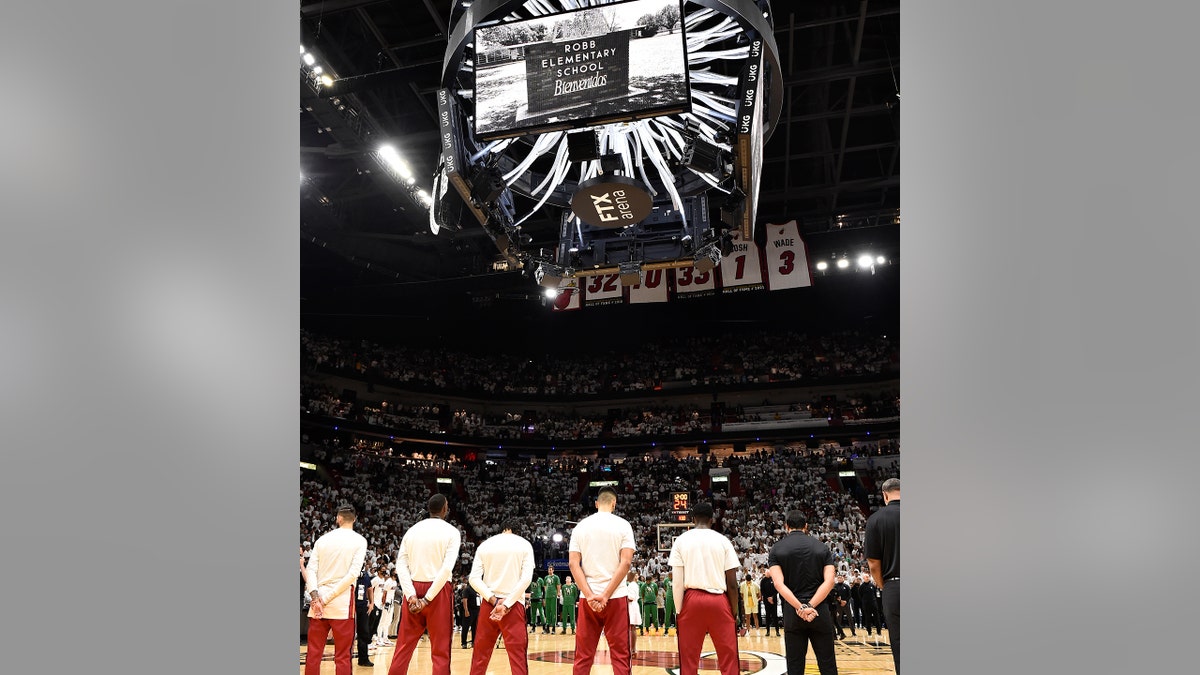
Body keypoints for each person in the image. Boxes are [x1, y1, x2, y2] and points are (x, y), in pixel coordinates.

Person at [388, 493, 462, 675]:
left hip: (413, 586)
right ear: (445, 509)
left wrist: (411, 594)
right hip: (438, 591)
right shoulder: (452, 532)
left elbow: (400, 565)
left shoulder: (411, 531)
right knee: (440, 650)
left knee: (403, 646)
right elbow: (446, 569)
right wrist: (427, 599)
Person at [568, 487, 635, 675]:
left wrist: (590, 596)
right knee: (621, 655)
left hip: (587, 599)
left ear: (596, 504)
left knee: (583, 655)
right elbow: (626, 562)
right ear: (614, 504)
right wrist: (605, 595)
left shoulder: (580, 526)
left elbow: (573, 564)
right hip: (616, 597)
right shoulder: (623, 525)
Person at [668, 502, 741, 675]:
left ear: (693, 519)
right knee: (729, 656)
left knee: (688, 658)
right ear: (712, 520)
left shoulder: (681, 540)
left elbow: (677, 583)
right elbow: (732, 583)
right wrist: (734, 611)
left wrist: (679, 612)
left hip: (691, 600)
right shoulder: (724, 541)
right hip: (719, 600)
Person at [768, 509, 838, 675]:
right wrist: (810, 605)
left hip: (793, 612)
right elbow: (830, 581)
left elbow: (778, 584)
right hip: (819, 610)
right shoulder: (822, 547)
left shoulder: (777, 549)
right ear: (806, 526)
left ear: (786, 526)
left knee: (795, 666)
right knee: (828, 664)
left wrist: (801, 607)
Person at [304, 503, 369, 675]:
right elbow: (352, 575)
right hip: (341, 603)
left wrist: (316, 597)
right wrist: (325, 599)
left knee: (313, 654)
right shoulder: (360, 541)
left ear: (338, 518)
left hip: (317, 603)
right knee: (342, 656)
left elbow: (310, 570)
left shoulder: (322, 540)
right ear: (354, 519)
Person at [468, 518, 535, 675]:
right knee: (517, 657)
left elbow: (473, 579)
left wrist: (492, 599)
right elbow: (526, 579)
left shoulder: (485, 545)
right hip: (513, 605)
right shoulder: (524, 545)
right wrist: (506, 604)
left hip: (489, 604)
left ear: (503, 528)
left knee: (480, 656)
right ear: (517, 531)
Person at [864, 478, 900, 673]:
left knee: (900, 642)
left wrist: (883, 586)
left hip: (894, 586)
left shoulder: (876, 519)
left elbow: (873, 563)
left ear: (885, 495)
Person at [353, 561, 375, 667]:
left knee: (364, 633)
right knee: (350, 634)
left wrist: (371, 603)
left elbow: (370, 588)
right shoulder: (351, 574)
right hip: (351, 607)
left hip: (363, 607)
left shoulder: (366, 575)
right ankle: (345, 659)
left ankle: (363, 659)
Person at [759, 570, 781, 637]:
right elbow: (762, 591)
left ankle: (777, 631)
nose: (768, 574)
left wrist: (772, 597)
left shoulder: (773, 579)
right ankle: (767, 631)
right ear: (765, 574)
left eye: (769, 573)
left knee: (775, 616)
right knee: (767, 616)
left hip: (773, 600)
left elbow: (777, 589)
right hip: (766, 600)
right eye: (767, 573)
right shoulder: (762, 581)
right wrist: (768, 598)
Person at [830, 574, 851, 639]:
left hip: (833, 606)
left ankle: (835, 636)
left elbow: (838, 597)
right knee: (835, 621)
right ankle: (841, 634)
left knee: (832, 621)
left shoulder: (834, 590)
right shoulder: (833, 589)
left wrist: (840, 602)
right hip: (831, 606)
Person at [543, 565, 562, 634]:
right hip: (547, 596)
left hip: (553, 596)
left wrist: (558, 593)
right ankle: (547, 628)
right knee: (547, 612)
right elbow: (545, 586)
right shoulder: (546, 578)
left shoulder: (556, 577)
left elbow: (558, 585)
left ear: (553, 570)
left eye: (551, 570)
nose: (550, 571)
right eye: (549, 570)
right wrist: (546, 594)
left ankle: (553, 628)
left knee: (553, 611)